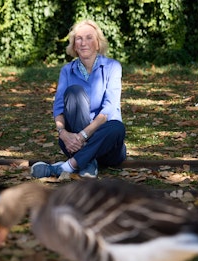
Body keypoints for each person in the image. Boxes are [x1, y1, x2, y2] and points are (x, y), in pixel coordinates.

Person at [31, 19, 127, 179]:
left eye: (89, 37)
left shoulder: (113, 67)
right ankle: (87, 163)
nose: (83, 43)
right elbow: (59, 108)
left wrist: (83, 135)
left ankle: (65, 168)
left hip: (107, 144)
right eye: (79, 38)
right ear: (74, 45)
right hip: (72, 143)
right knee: (74, 92)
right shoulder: (67, 70)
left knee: (116, 127)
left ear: (98, 43)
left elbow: (108, 110)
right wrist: (63, 133)